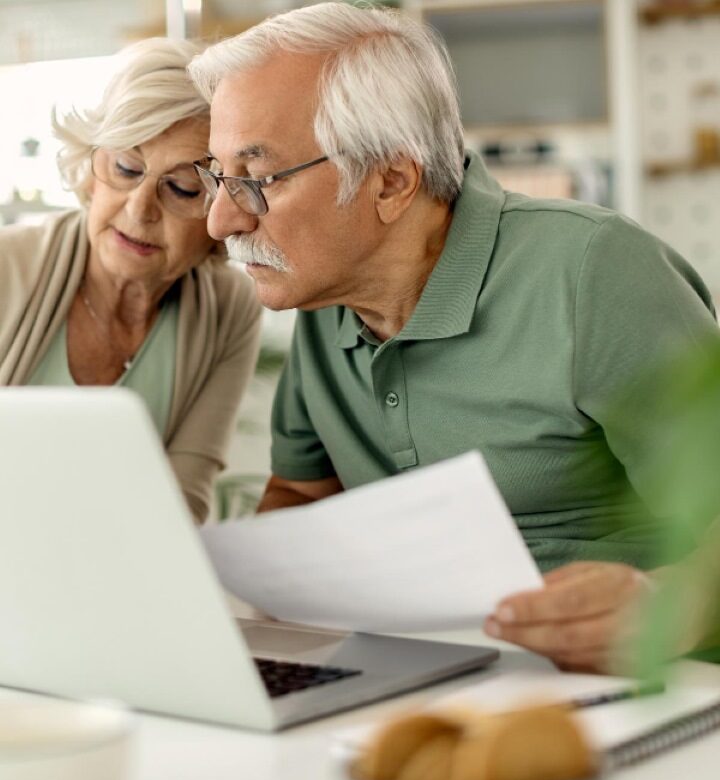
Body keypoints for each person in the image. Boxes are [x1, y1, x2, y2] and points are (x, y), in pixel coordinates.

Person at [188, 2, 720, 671]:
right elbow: (301, 494)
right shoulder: (325, 298)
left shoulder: (592, 273)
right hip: (425, 678)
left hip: (641, 690)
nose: (220, 220)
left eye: (257, 179)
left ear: (390, 181)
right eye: (218, 175)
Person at [0, 38, 262, 524]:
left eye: (182, 187)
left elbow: (185, 499)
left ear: (222, 209)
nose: (139, 209)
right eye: (126, 167)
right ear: (90, 172)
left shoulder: (231, 309)